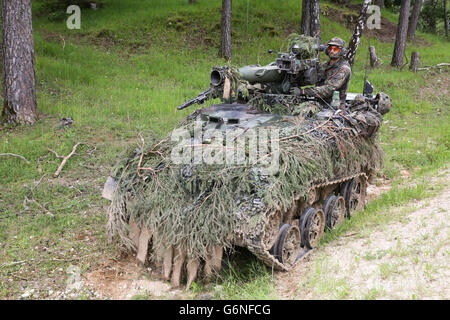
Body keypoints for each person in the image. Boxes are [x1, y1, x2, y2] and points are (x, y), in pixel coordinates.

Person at [300, 37, 351, 110]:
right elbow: (310, 78)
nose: (332, 51)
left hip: (334, 107)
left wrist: (304, 91)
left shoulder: (344, 69)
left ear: (342, 51)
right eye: (330, 48)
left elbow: (329, 89)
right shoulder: (323, 65)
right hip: (319, 103)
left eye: (336, 49)